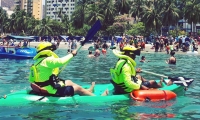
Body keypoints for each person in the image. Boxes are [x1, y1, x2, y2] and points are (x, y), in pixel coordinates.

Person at [29, 42, 108, 96]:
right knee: (77, 88)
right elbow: (61, 61)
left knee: (69, 82)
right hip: (51, 91)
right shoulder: (47, 60)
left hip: (43, 87)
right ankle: (96, 97)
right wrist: (72, 54)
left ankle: (88, 91)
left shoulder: (37, 62)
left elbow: (37, 78)